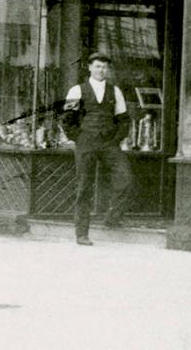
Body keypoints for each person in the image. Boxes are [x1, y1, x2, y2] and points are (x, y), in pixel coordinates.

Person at [60, 53, 133, 245]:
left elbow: (124, 119)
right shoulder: (77, 90)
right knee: (84, 186)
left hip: (109, 143)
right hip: (86, 143)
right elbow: (66, 118)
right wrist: (79, 137)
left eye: (105, 67)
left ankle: (112, 218)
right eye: (98, 66)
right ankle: (82, 234)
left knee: (125, 178)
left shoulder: (114, 91)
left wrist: (116, 139)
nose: (102, 70)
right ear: (90, 68)